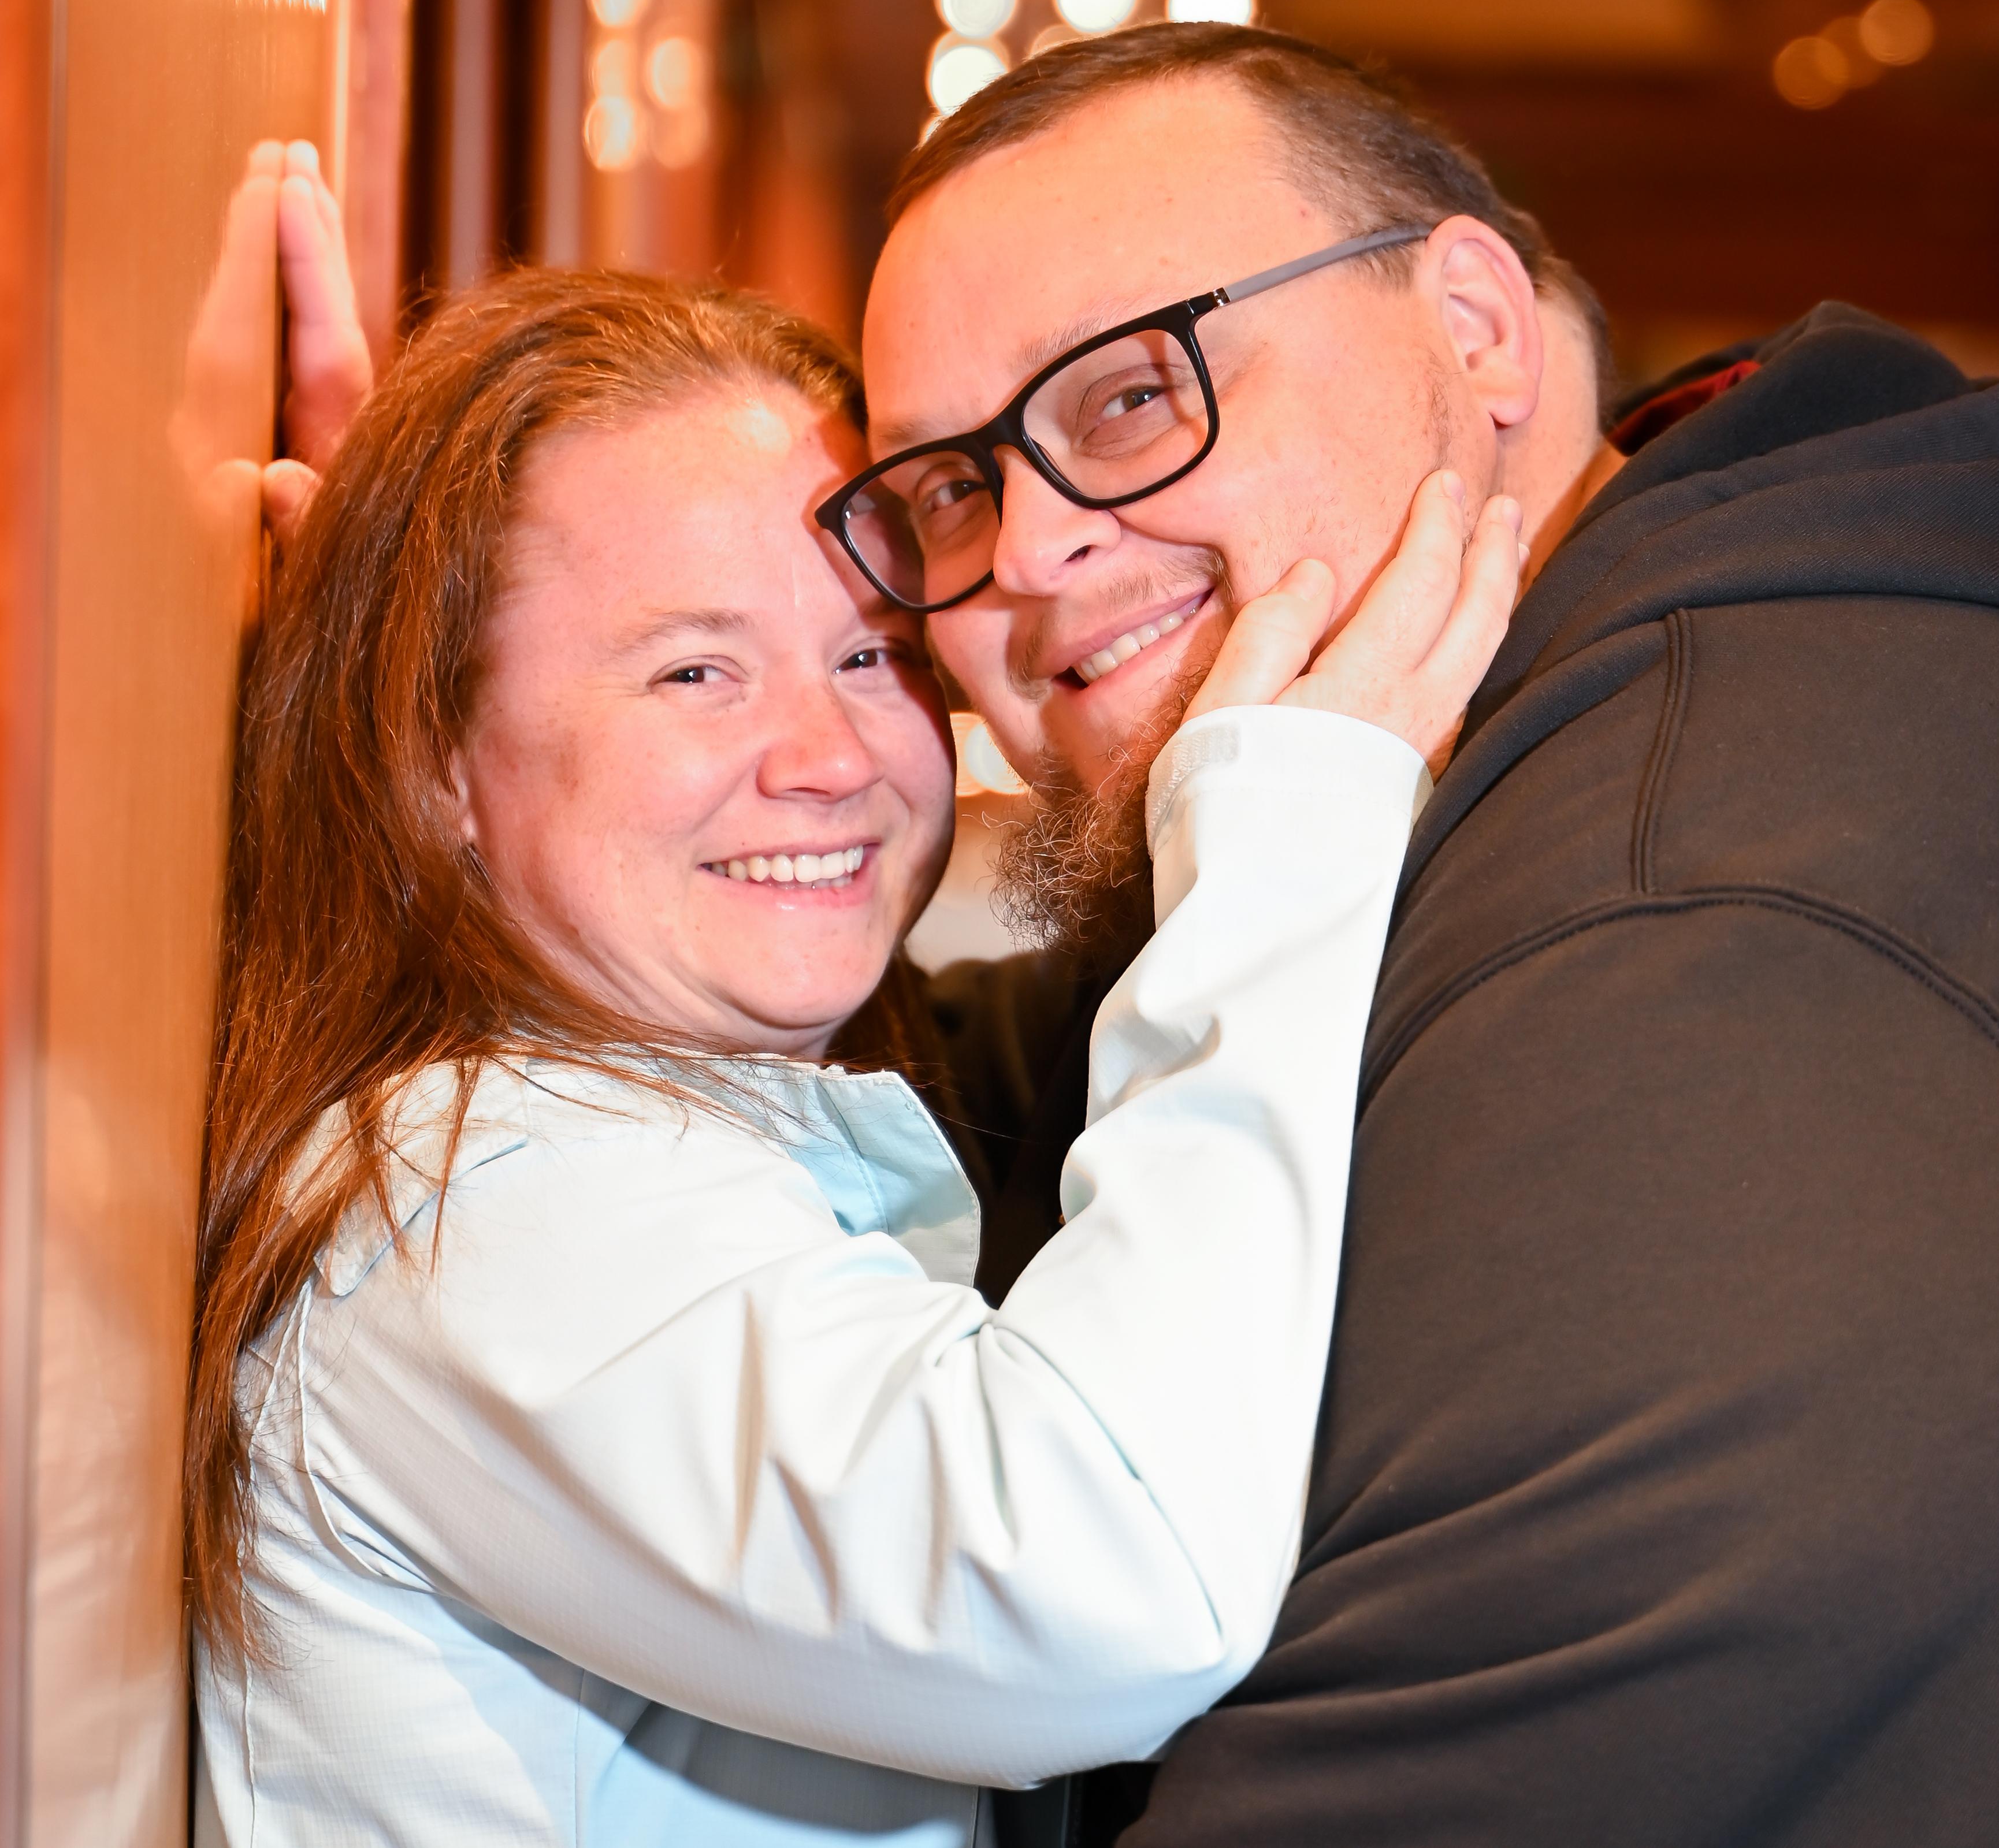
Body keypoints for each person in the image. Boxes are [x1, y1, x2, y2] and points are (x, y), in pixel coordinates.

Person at [838, 21, 1999, 1844]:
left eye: (1127, 398)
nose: (1035, 552)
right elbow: (1022, 1092)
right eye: (953, 490)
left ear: (1474, 329)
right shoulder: (1476, 755)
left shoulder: (1676, 919)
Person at [188, 258, 1522, 1845]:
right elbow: (1102, 1583)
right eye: (694, 670)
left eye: (875, 655)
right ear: (432, 762)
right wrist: (1292, 819)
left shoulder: (660, 1125)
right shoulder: (480, 1202)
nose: (828, 759)